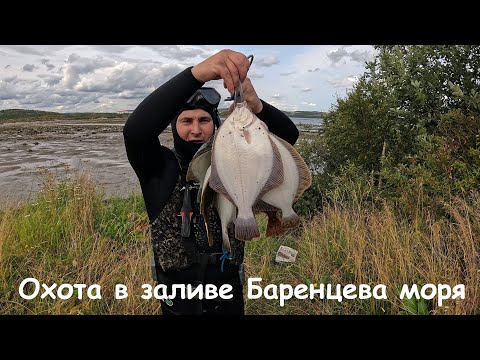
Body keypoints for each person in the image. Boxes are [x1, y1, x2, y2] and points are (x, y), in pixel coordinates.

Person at [123, 49, 299, 315]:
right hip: (177, 301)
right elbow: (136, 132)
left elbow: (288, 136)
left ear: (216, 123)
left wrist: (255, 103)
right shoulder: (159, 169)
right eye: (186, 121)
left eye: (204, 120)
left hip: (227, 295)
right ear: (173, 126)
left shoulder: (238, 161)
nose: (195, 129)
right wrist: (198, 74)